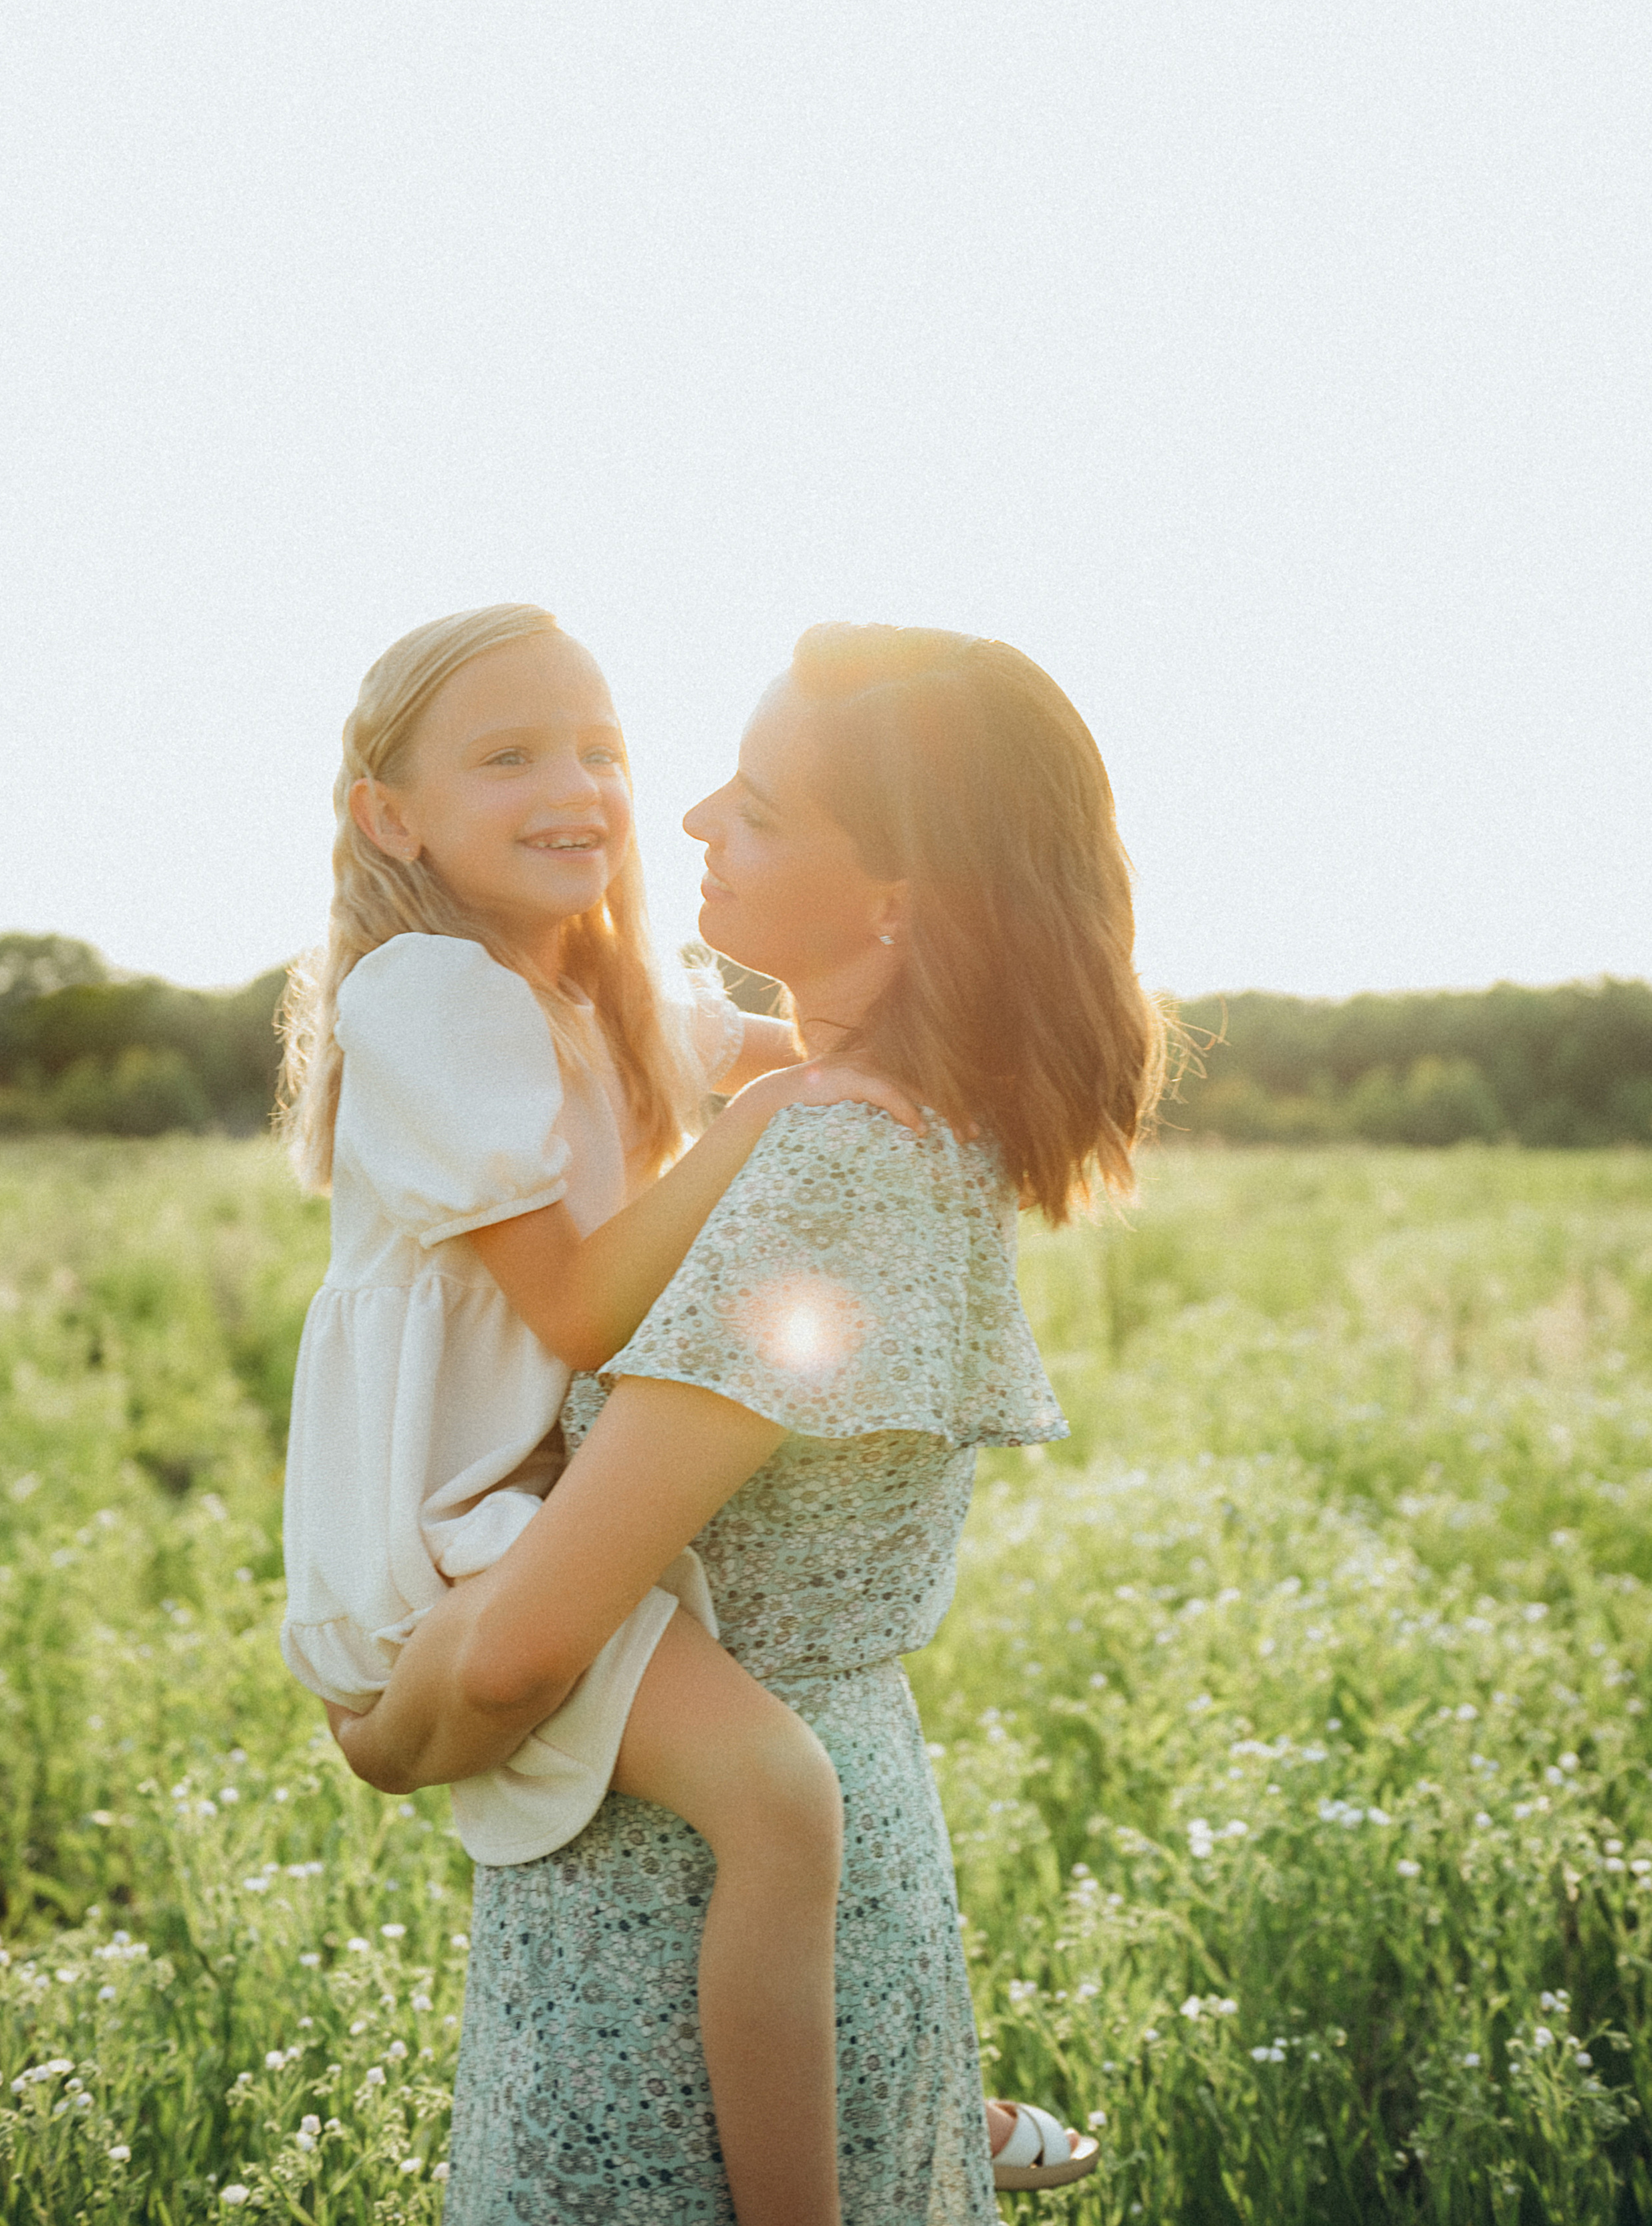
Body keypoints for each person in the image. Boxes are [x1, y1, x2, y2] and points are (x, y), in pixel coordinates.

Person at [334, 622, 1164, 2223]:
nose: (695, 819)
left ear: (898, 900)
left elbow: (520, 1652)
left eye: (763, 806)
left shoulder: (831, 1157)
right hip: (824, 1849)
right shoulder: (908, 1114)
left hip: (681, 1908)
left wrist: (381, 1730)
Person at [278, 602, 927, 2226]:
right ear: (392, 815)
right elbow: (573, 1303)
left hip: (540, 1515)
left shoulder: (602, 981)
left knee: (787, 1803)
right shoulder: (424, 992)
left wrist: (898, 1067)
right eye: (508, 756)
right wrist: (769, 1116)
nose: (575, 784)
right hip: (449, 1542)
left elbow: (793, 1052)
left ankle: (897, 2091)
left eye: (601, 748)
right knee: (776, 1798)